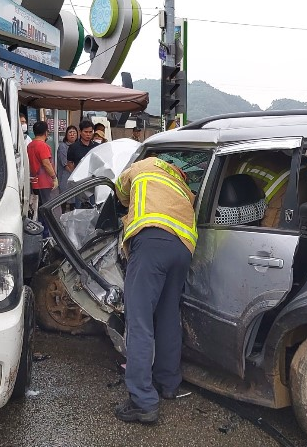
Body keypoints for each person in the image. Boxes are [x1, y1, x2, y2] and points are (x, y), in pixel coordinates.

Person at [113, 156, 196, 424]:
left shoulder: (142, 165)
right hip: (183, 248)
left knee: (139, 321)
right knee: (168, 316)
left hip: (150, 242)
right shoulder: (180, 182)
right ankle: (168, 383)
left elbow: (120, 191)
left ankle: (142, 401)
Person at [27, 121, 60, 237]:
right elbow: (46, 163)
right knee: (46, 210)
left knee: (37, 209)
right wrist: (54, 177)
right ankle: (45, 235)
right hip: (44, 182)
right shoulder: (42, 145)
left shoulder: (30, 145)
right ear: (46, 132)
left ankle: (39, 233)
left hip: (34, 181)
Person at [67, 120, 100, 208]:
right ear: (80, 132)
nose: (88, 134)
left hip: (93, 182)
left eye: (90, 132)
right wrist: (75, 174)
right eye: (86, 132)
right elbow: (69, 162)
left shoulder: (97, 147)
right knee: (79, 208)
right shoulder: (73, 147)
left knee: (94, 207)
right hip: (79, 183)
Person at [57, 125, 78, 211]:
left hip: (76, 177)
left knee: (74, 199)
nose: (72, 134)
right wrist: (73, 173)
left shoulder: (78, 146)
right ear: (66, 134)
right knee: (64, 198)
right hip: (65, 176)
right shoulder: (63, 146)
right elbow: (64, 163)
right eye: (70, 132)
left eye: (74, 132)